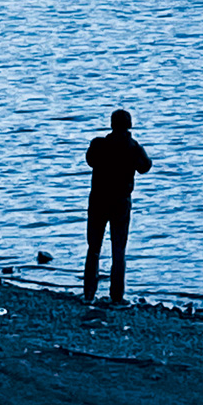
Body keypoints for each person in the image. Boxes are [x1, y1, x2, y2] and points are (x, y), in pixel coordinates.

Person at [83, 108, 152, 305]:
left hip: (98, 200)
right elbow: (145, 167)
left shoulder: (99, 144)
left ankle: (88, 294)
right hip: (121, 202)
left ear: (112, 124)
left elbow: (90, 161)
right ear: (129, 125)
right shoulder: (132, 147)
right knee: (119, 249)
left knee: (93, 247)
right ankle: (117, 296)